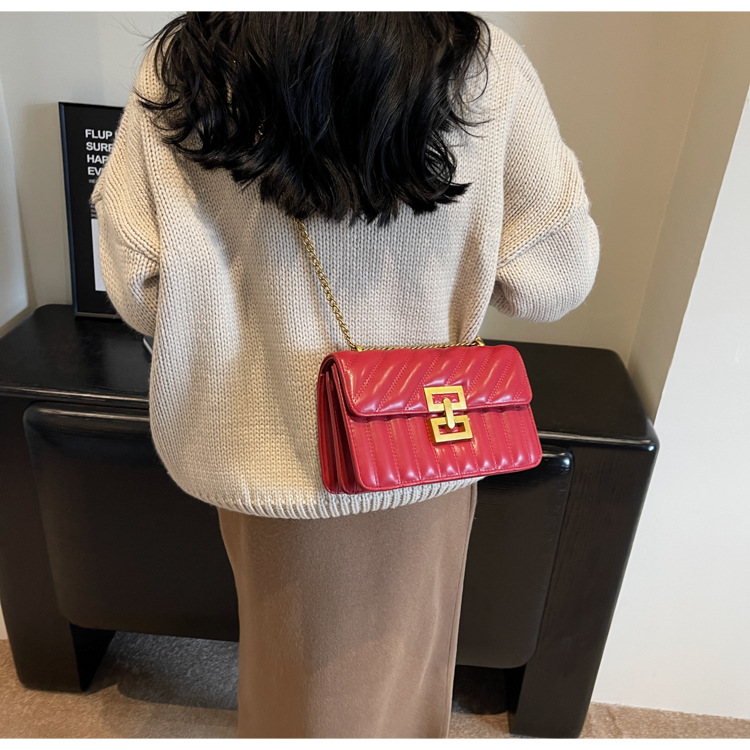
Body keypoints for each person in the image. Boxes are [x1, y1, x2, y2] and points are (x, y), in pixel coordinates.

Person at [91, 12, 599, 739]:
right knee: (404, 673)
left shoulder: (189, 64)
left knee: (286, 667)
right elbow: (553, 279)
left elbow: (138, 285)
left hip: (257, 442)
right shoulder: (484, 66)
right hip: (426, 440)